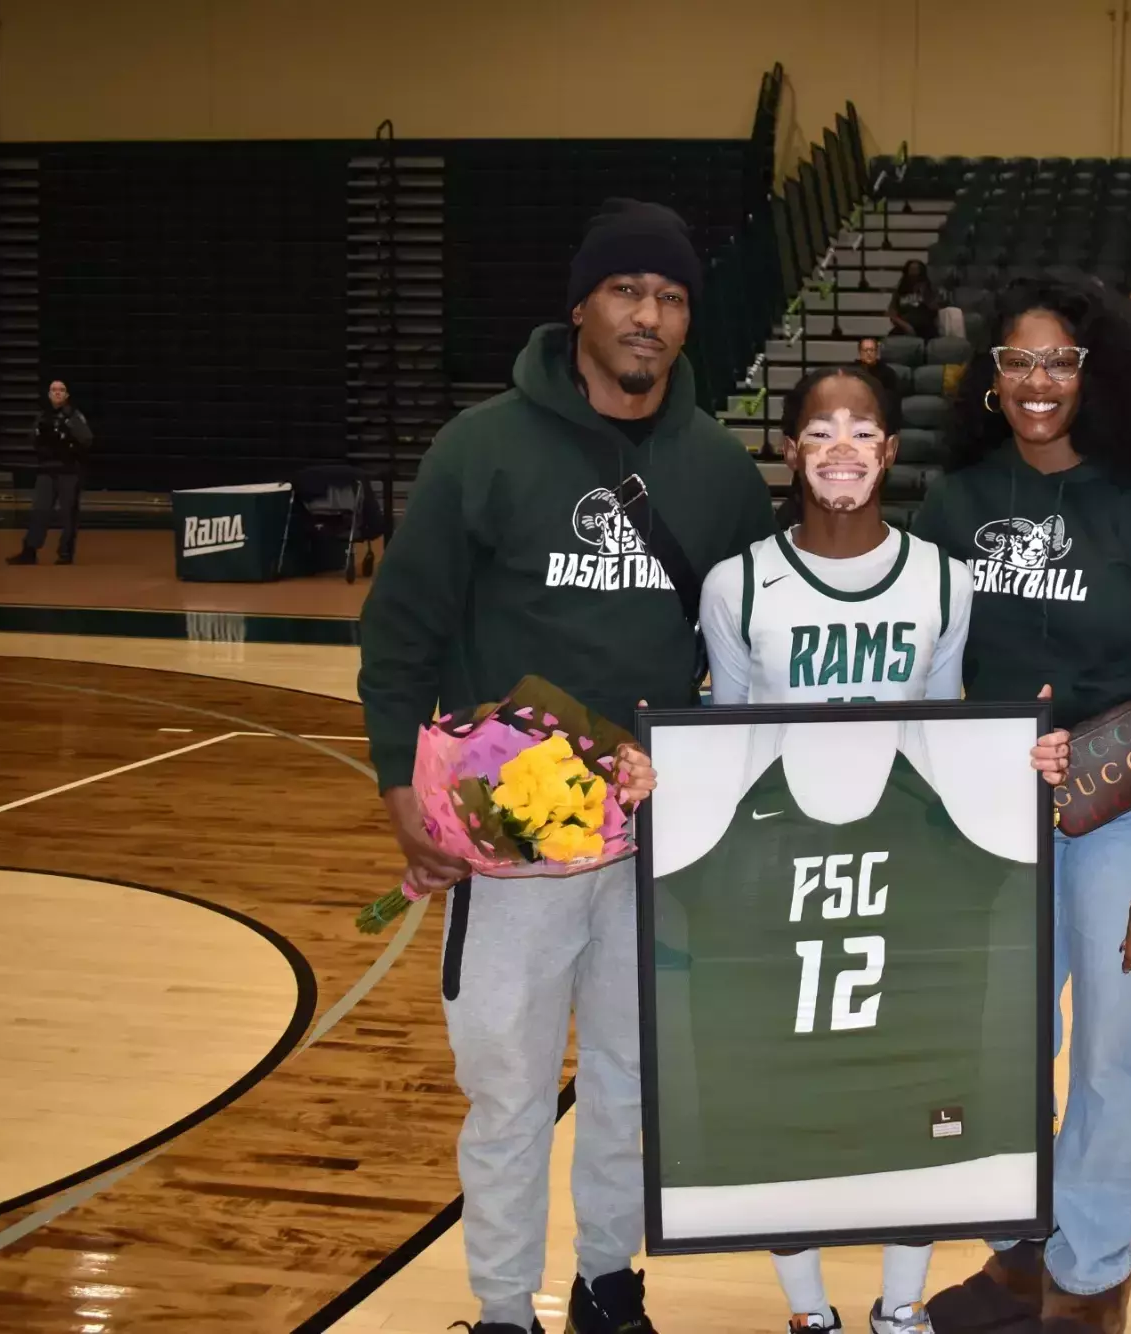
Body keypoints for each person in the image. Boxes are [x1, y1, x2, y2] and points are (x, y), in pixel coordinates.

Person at [358, 200, 774, 1334]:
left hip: (648, 841)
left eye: (672, 297)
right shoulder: (480, 446)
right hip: (511, 844)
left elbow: (742, 654)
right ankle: (501, 1306)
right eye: (628, 292)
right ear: (582, 303)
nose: (649, 316)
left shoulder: (719, 474)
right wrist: (404, 793)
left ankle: (606, 1280)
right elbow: (399, 631)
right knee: (505, 1088)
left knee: (631, 1083)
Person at [699, 364, 1072, 1334]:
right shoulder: (737, 584)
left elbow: (943, 728)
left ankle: (899, 1308)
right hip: (782, 873)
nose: (838, 447)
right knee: (788, 1092)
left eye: (859, 428)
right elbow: (728, 742)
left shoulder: (941, 580)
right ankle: (806, 1312)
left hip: (904, 871)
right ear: (788, 448)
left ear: (888, 449)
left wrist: (1014, 755)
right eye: (817, 429)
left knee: (914, 1086)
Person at [914, 276, 1131, 1333]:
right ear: (987, 379)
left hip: (1124, 821)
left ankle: (1089, 1280)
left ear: (1094, 376)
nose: (1036, 380)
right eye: (1015, 361)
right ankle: (1015, 1255)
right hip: (996, 822)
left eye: (1058, 361)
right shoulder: (956, 502)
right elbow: (921, 672)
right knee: (997, 1045)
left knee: (1111, 1058)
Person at [6, 379, 93, 566]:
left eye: (61, 390)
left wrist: (68, 436)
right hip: (46, 469)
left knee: (68, 513)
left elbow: (87, 440)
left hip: (69, 471)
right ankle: (30, 550)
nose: (57, 393)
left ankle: (65, 553)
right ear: (48, 394)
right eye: (54, 390)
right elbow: (33, 439)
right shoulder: (42, 417)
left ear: (67, 394)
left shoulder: (74, 416)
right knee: (39, 510)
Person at [888, 259, 941, 341]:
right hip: (905, 326)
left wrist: (925, 295)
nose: (914, 274)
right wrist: (906, 326)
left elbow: (935, 309)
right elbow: (893, 315)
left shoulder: (930, 289)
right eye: (911, 270)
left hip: (926, 327)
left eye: (916, 271)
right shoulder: (899, 291)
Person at [856, 335, 903, 399]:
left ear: (877, 352)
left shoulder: (888, 373)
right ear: (860, 352)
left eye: (872, 350)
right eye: (865, 350)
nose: (869, 353)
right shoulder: (853, 371)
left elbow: (891, 399)